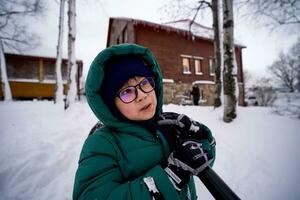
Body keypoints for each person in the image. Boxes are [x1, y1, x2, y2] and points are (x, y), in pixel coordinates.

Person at [73, 44, 216, 200]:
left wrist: (200, 138)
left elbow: (201, 165)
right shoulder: (102, 144)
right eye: (127, 92)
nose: (142, 95)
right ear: (112, 106)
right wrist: (170, 179)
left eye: (144, 83)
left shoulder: (167, 127)